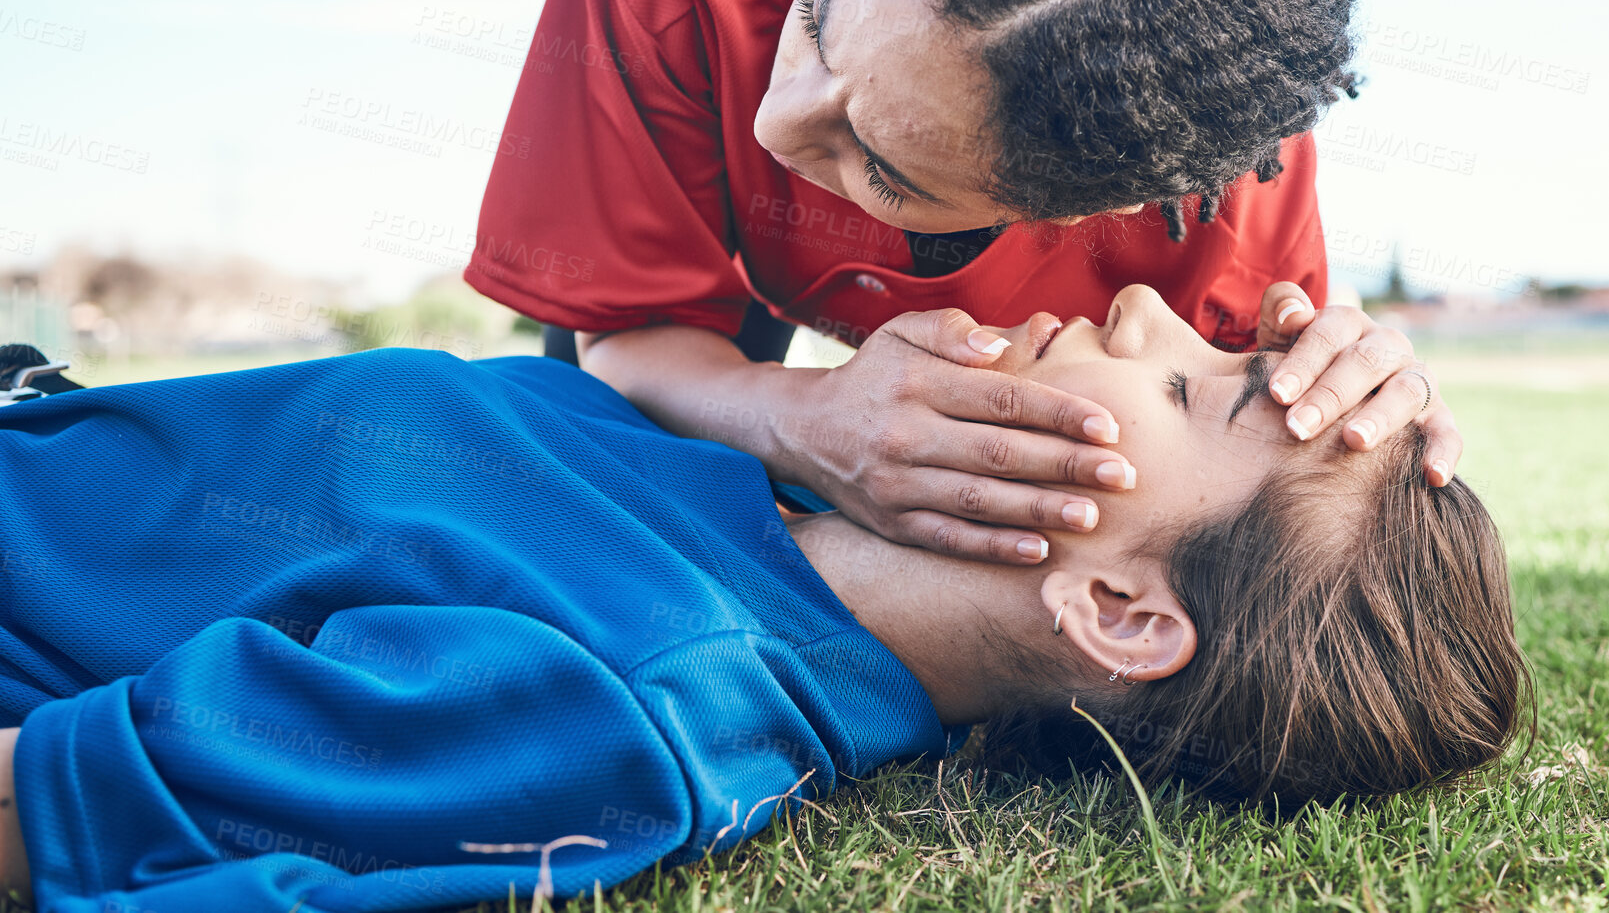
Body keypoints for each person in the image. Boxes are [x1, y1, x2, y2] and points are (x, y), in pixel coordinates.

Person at [0, 287, 1525, 910]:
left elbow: (61, 813)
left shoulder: (629, 710)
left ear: (1119, 610)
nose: (1137, 301)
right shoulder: (782, 474)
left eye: (1195, 384)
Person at [465, 0, 1465, 567]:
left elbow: (1256, 505)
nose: (773, 126)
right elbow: (627, 332)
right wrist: (802, 414)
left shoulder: (1220, 203)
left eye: (885, 171)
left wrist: (1370, 421)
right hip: (665, 361)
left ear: (1096, 211)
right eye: (813, 17)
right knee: (595, 481)